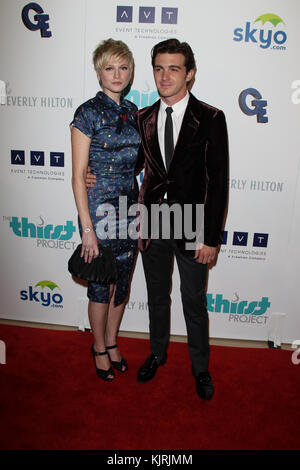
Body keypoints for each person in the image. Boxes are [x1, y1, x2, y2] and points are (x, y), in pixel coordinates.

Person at [86, 39, 229, 400]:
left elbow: (218, 181)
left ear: (190, 74)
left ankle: (200, 369)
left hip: (192, 223)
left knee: (194, 301)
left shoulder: (211, 118)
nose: (165, 76)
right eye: (159, 68)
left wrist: (211, 239)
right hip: (152, 222)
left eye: (174, 68)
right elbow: (131, 164)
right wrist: (94, 171)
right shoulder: (143, 117)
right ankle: (157, 354)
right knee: (156, 297)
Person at [71, 39, 140, 381]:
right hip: (99, 211)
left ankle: (112, 342)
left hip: (130, 207)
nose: (117, 74)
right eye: (110, 68)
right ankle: (98, 347)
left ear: (130, 73)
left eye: (123, 67)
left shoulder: (134, 113)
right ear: (99, 72)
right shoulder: (86, 113)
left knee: (122, 283)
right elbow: (77, 176)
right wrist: (87, 229)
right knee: (101, 284)